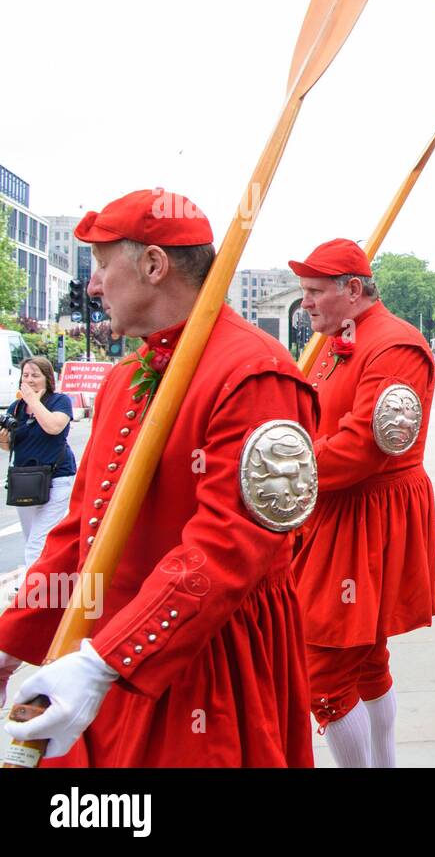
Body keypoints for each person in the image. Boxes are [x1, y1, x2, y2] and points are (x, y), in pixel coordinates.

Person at [0, 188, 318, 767]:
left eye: (101, 265)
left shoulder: (257, 375)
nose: (92, 285)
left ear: (153, 265)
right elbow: (80, 532)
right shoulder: (127, 376)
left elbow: (227, 549)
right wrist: (11, 639)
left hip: (202, 663)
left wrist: (108, 661)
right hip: (98, 655)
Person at [290, 239, 435, 768]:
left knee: (322, 670)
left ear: (352, 290)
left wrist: (279, 471)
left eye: (313, 291)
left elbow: (364, 448)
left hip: (367, 514)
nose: (304, 302)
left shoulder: (397, 346)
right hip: (339, 509)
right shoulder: (334, 340)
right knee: (367, 661)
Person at [1, 356, 77, 567]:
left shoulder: (59, 401)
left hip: (56, 478)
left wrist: (33, 401)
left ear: (47, 378)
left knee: (37, 541)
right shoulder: (16, 408)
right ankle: (41, 582)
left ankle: (30, 589)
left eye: (35, 375)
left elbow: (54, 427)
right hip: (25, 482)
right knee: (31, 539)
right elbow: (9, 446)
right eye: (26, 375)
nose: (30, 380)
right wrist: (2, 438)